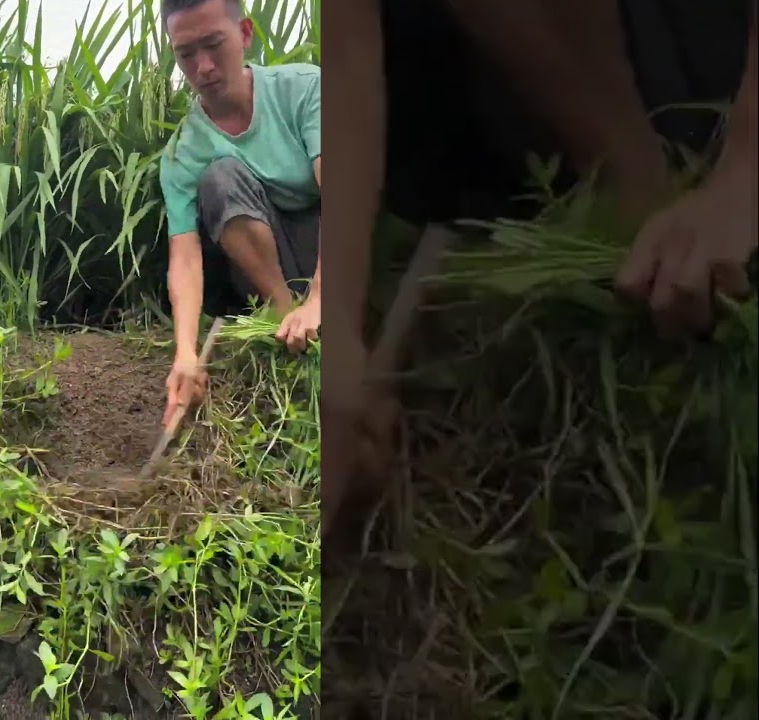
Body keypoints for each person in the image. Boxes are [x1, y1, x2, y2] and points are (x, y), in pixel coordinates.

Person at [324, 0, 757, 484]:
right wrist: (338, 330)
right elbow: (343, 47)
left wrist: (746, 169)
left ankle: (659, 182)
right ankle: (632, 196)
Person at [157, 0, 325, 430]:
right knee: (220, 179)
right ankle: (284, 317)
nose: (204, 67)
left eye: (214, 45)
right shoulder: (183, 151)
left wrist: (323, 298)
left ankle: (318, 313)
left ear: (245, 34)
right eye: (186, 54)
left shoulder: (305, 89)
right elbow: (186, 258)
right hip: (272, 269)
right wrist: (185, 356)